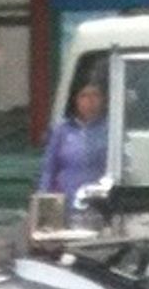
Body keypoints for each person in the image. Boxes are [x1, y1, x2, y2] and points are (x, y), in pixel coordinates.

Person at [36, 56, 111, 200]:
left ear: (103, 99)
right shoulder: (62, 130)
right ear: (75, 100)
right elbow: (48, 169)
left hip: (98, 200)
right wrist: (44, 196)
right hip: (67, 199)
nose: (90, 101)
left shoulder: (110, 129)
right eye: (84, 96)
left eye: (95, 95)